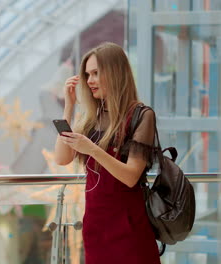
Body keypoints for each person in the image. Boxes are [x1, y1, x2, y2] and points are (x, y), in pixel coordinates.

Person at [54, 42, 161, 264]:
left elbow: (131, 176)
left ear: (115, 72)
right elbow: (62, 158)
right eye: (87, 74)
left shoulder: (142, 115)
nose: (90, 80)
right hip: (96, 226)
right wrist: (69, 107)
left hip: (129, 226)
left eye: (95, 73)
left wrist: (93, 149)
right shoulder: (92, 116)